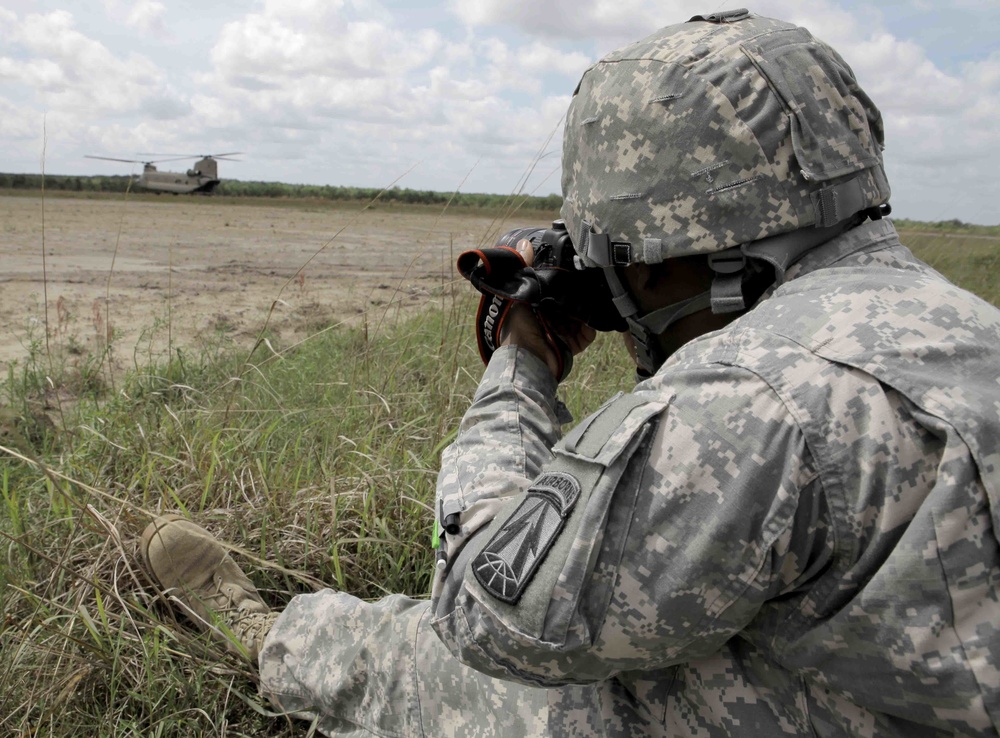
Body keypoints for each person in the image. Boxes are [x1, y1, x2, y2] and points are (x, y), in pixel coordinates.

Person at [141, 9, 1000, 737]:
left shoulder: (758, 398)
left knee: (461, 667)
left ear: (664, 259)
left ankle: (266, 639)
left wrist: (521, 362)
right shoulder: (964, 326)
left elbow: (484, 607)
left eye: (614, 263)